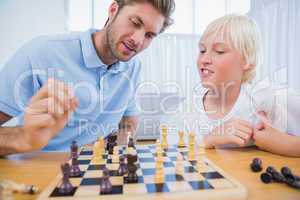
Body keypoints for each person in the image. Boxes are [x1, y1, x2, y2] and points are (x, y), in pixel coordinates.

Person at [0, 0, 175, 153]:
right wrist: (23, 137)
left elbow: (129, 122)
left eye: (149, 35)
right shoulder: (41, 52)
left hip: (90, 175)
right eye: (135, 22)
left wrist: (99, 151)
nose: (138, 40)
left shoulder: (133, 67)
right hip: (37, 176)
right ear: (113, 10)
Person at [194, 14, 300, 156]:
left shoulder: (268, 97)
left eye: (219, 51)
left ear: (247, 60)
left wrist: (282, 143)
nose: (204, 59)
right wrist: (207, 140)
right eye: (202, 50)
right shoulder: (189, 109)